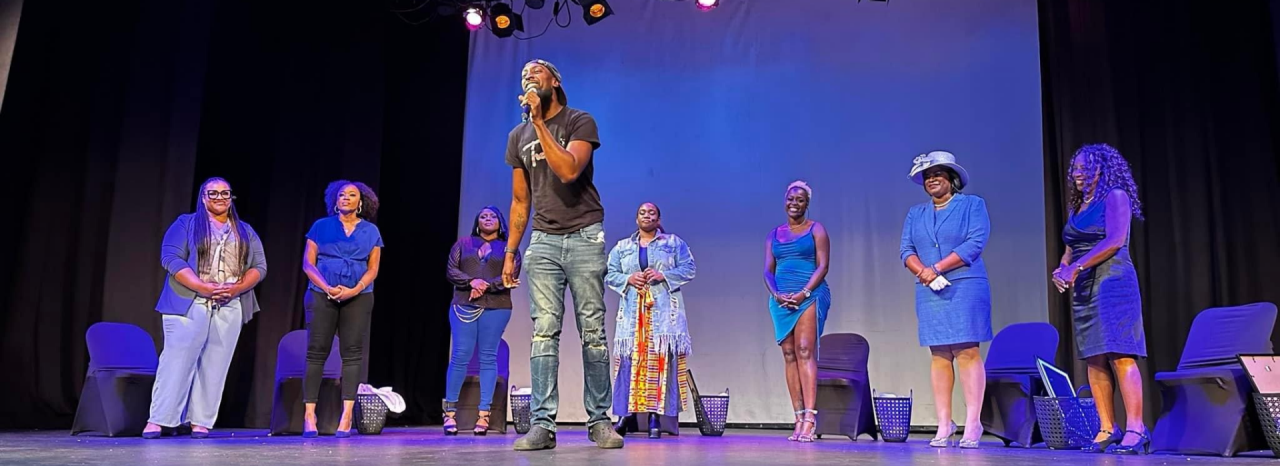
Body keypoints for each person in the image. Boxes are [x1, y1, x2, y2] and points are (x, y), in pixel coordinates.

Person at [502, 59, 624, 450]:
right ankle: (542, 425)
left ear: (554, 81)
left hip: (585, 234)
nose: (528, 76)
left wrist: (539, 123)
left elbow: (569, 170)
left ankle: (600, 421)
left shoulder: (578, 121)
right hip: (543, 241)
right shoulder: (516, 137)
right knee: (543, 332)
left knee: (592, 332)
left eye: (536, 71)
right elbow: (521, 201)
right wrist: (511, 250)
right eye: (524, 74)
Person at [144, 177, 268, 439]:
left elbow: (259, 267)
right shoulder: (186, 223)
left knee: (215, 364)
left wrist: (236, 288)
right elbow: (171, 257)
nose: (220, 197)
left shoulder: (244, 230)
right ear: (203, 197)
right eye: (213, 193)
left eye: (225, 193)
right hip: (189, 301)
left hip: (229, 303)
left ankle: (200, 421)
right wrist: (202, 287)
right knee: (177, 360)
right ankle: (159, 419)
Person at [1051, 143, 1148, 455]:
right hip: (1083, 285)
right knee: (1094, 357)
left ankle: (1136, 428)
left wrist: (1076, 268)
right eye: (1076, 169)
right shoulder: (1078, 206)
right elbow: (1070, 248)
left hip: (1113, 282)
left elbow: (1115, 240)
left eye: (1085, 168)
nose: (1078, 174)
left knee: (1120, 353)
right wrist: (1062, 269)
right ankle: (1107, 427)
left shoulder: (1115, 196)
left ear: (1103, 169)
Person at [899, 151, 993, 449]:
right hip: (929, 289)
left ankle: (973, 422)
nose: (931, 179)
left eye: (937, 173)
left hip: (965, 285)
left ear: (952, 178)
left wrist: (937, 268)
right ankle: (944, 422)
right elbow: (906, 250)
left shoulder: (972, 205)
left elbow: (975, 243)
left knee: (967, 351)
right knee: (939, 354)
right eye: (927, 176)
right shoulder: (916, 213)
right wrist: (924, 272)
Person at [605, 203, 696, 439]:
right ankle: (626, 416)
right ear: (637, 219)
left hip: (662, 314)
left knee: (660, 361)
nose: (647, 215)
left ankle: (656, 415)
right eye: (642, 213)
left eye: (652, 212)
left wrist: (663, 275)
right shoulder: (623, 247)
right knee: (629, 363)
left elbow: (689, 268)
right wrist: (628, 278)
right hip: (633, 315)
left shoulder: (673, 243)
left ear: (659, 219)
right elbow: (609, 273)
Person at [300, 180, 383, 438]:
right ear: (335, 201)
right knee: (316, 352)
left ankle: (346, 416)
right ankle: (309, 415)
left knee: (352, 354)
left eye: (352, 194)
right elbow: (308, 264)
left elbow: (373, 269)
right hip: (321, 294)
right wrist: (326, 287)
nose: (346, 197)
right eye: (341, 194)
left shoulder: (371, 231)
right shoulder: (320, 226)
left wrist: (354, 289)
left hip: (358, 296)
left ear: (361, 202)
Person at [443, 206, 521, 436]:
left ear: (500, 222)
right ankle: (449, 413)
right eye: (483, 216)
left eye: (493, 216)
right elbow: (451, 270)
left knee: (488, 356)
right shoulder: (463, 244)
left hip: (496, 306)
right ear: (477, 222)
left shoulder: (509, 248)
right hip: (463, 305)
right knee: (460, 355)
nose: (488, 219)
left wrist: (485, 285)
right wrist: (472, 282)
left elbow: (511, 275)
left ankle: (484, 414)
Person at [763, 181, 831, 443]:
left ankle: (810, 418)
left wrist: (804, 292)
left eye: (800, 199)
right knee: (789, 354)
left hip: (809, 295)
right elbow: (768, 271)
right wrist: (776, 294)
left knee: (804, 350)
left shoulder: (816, 229)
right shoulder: (773, 234)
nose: (794, 203)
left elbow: (823, 266)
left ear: (807, 204)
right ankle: (798, 416)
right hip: (781, 300)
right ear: (785, 201)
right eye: (791, 198)